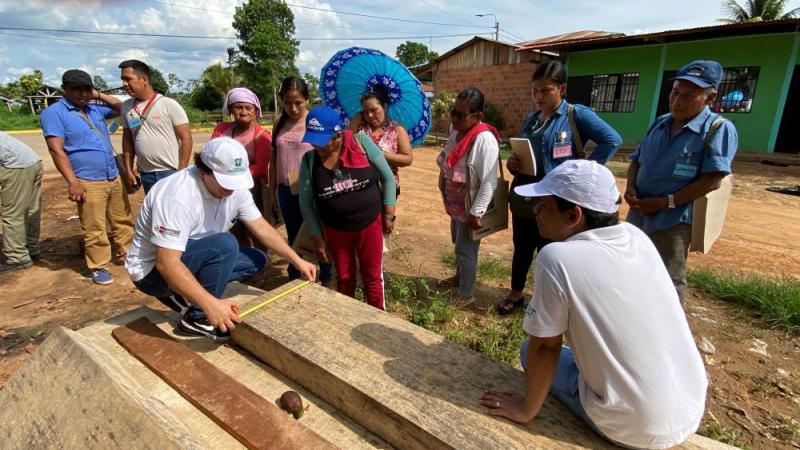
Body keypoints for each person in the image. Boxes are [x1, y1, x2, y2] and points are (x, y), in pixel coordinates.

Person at [480, 160, 708, 449]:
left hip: (635, 427)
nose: (536, 211)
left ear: (573, 215)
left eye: (544, 205)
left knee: (527, 351)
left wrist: (526, 409)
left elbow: (545, 346)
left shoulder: (556, 258)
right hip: (690, 406)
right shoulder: (636, 237)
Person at [125, 137, 316, 341]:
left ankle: (187, 291)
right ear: (203, 172)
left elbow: (261, 227)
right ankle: (196, 318)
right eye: (225, 183)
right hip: (152, 273)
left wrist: (297, 260)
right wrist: (211, 306)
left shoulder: (234, 188)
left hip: (192, 253)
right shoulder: (177, 197)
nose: (230, 190)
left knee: (256, 260)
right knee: (225, 245)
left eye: (234, 182)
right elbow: (166, 263)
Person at [499, 61, 621, 315]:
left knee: (551, 250)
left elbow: (611, 139)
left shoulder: (576, 115)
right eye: (535, 91)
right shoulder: (532, 119)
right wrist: (513, 163)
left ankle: (547, 301)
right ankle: (516, 292)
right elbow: (525, 151)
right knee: (522, 246)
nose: (539, 97)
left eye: (546, 91)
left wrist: (585, 174)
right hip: (526, 194)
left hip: (556, 199)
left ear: (561, 89)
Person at [625, 60, 738, 304]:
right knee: (633, 270)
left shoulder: (718, 129)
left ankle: (668, 336)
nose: (678, 101)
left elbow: (712, 181)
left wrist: (665, 202)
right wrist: (630, 187)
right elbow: (636, 160)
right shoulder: (660, 122)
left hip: (672, 221)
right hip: (638, 214)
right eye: (675, 93)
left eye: (689, 95)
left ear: (710, 97)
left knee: (667, 279)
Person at [41, 69, 134, 285]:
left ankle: (127, 254)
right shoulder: (54, 113)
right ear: (65, 89)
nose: (83, 94)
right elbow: (56, 150)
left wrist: (98, 95)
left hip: (112, 174)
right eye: (78, 89)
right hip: (87, 179)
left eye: (87, 89)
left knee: (122, 219)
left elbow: (121, 107)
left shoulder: (94, 109)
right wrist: (72, 181)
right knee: (94, 225)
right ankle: (98, 265)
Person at [298, 107, 396, 310]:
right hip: (336, 229)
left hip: (369, 224)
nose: (315, 144)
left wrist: (389, 213)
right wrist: (317, 238)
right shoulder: (309, 160)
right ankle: (348, 317)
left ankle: (378, 319)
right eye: (312, 139)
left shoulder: (361, 143)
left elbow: (387, 177)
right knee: (344, 277)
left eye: (321, 139)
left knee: (372, 276)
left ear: (337, 135)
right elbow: (306, 203)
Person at [437, 87, 500, 308]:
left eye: (460, 115)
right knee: (458, 243)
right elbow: (446, 160)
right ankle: (459, 277)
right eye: (453, 112)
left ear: (478, 116)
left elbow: (489, 181)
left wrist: (476, 213)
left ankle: (466, 294)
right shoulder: (457, 133)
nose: (453, 119)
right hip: (455, 205)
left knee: (466, 250)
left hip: (469, 208)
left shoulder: (484, 140)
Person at [269, 76, 334, 286]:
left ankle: (327, 276)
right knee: (294, 234)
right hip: (286, 191)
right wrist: (272, 192)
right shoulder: (279, 125)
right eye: (288, 102)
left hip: (312, 189)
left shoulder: (314, 123)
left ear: (306, 99)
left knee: (318, 233)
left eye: (298, 102)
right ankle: (295, 276)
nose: (293, 108)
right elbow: (274, 158)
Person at [211, 87, 272, 249]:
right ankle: (244, 260)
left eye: (248, 108)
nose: (243, 111)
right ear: (231, 109)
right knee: (236, 230)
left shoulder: (262, 135)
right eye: (238, 107)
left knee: (256, 230)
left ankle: (259, 265)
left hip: (252, 189)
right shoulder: (221, 130)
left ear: (255, 110)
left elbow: (259, 168)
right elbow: (212, 155)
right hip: (225, 189)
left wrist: (230, 177)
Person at [119, 59, 192, 193]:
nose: (124, 84)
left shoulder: (168, 104)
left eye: (128, 79)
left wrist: (181, 172)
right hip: (146, 174)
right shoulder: (126, 107)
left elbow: (186, 139)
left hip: (170, 173)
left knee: (173, 211)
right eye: (123, 79)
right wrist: (129, 170)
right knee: (154, 211)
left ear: (144, 79)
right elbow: (127, 140)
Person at [347, 84, 413, 195]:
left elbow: (407, 159)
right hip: (359, 185)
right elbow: (346, 144)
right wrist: (357, 117)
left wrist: (379, 154)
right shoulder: (360, 127)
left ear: (385, 106)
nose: (370, 115)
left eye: (374, 110)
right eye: (365, 111)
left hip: (387, 187)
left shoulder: (397, 130)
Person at [0, 132, 43, 273]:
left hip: (15, 167)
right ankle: (31, 249)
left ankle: (18, 258)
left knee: (13, 213)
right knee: (30, 210)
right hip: (33, 162)